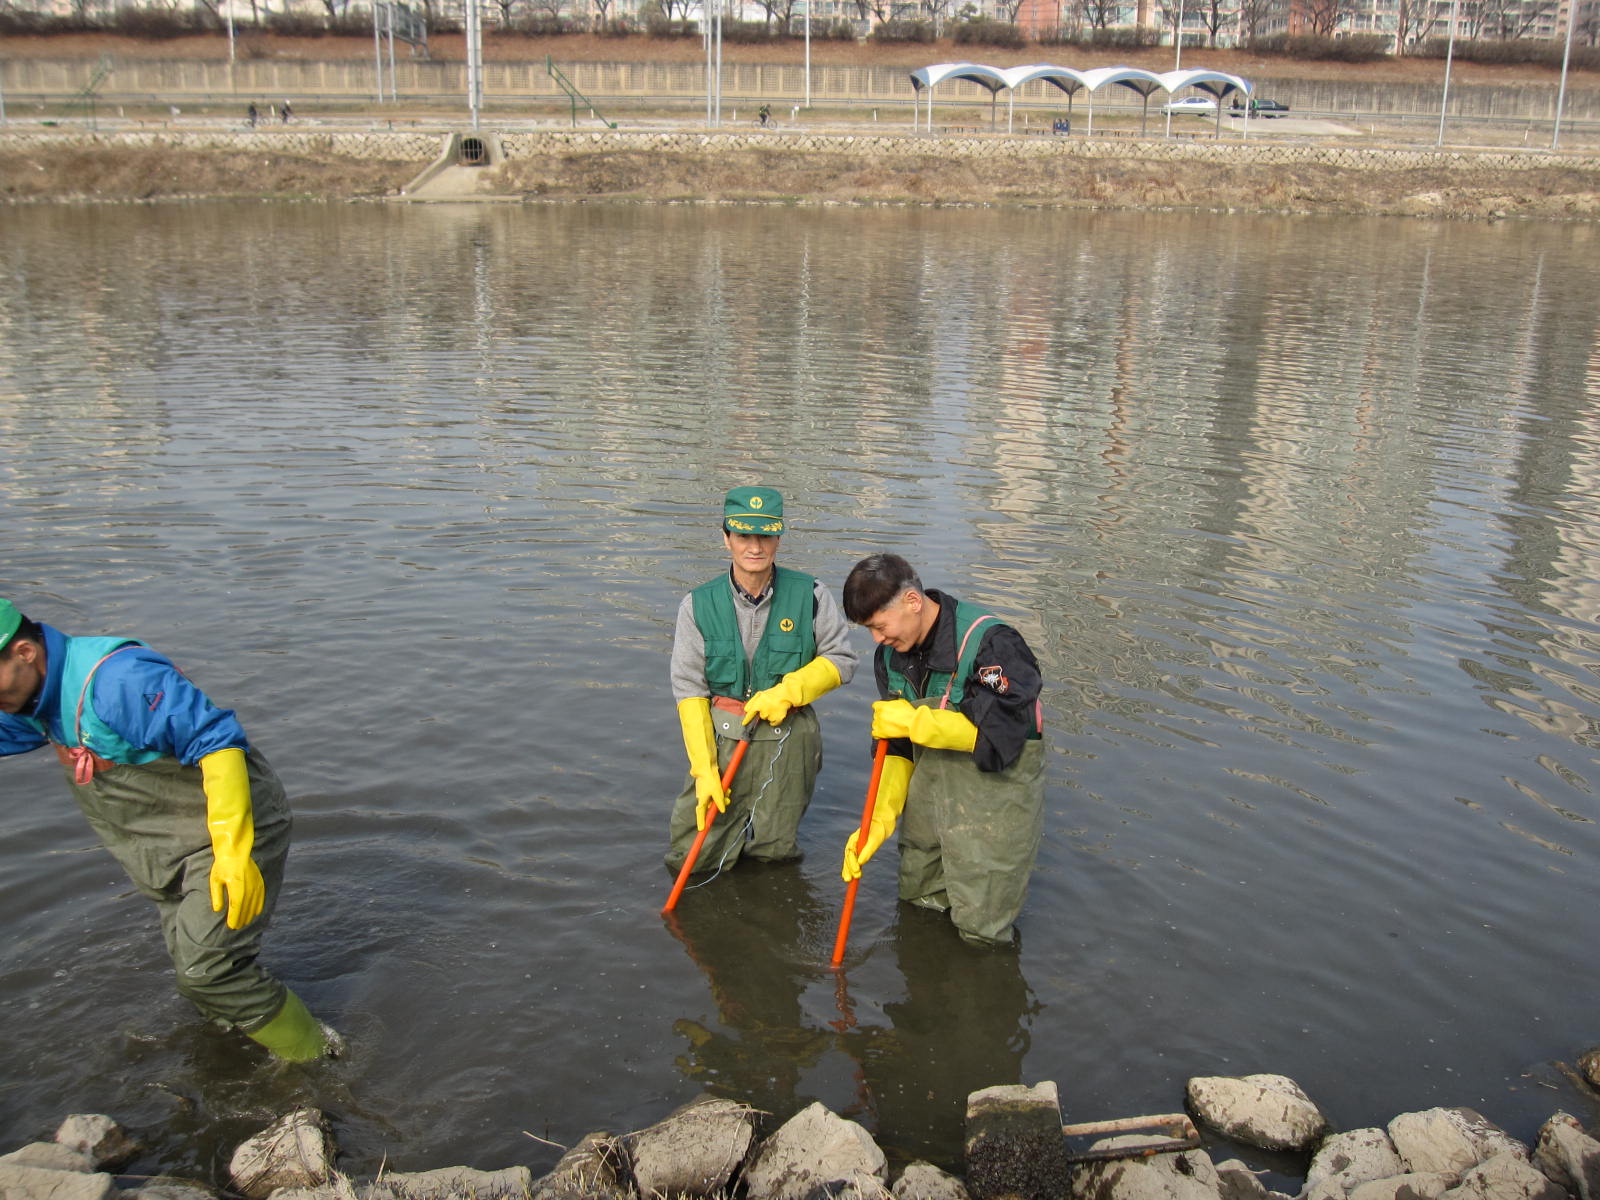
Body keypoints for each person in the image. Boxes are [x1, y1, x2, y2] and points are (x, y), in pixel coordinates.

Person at [0, 599, 332, 1061]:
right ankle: (237, 1048)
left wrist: (234, 854)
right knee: (195, 973)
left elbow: (217, 745)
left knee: (208, 971)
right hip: (166, 841)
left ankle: (318, 1063)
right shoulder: (28, 694)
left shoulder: (119, 681)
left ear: (24, 652)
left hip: (231, 824)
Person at [839, 554, 1045, 947]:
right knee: (917, 902)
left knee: (981, 930)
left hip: (992, 805)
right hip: (928, 802)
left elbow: (1003, 735)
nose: (877, 640)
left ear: (913, 602)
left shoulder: (992, 644)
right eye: (869, 630)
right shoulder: (890, 656)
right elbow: (896, 745)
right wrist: (879, 820)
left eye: (880, 627)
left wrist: (916, 722)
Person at [666, 486, 858, 877]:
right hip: (722, 741)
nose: (755, 547)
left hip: (789, 740)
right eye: (743, 536)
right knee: (692, 854)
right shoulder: (697, 605)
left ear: (778, 539)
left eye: (765, 536)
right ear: (726, 539)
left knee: (774, 853)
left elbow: (842, 659)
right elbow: (689, 690)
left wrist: (788, 693)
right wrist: (704, 770)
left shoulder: (813, 594)